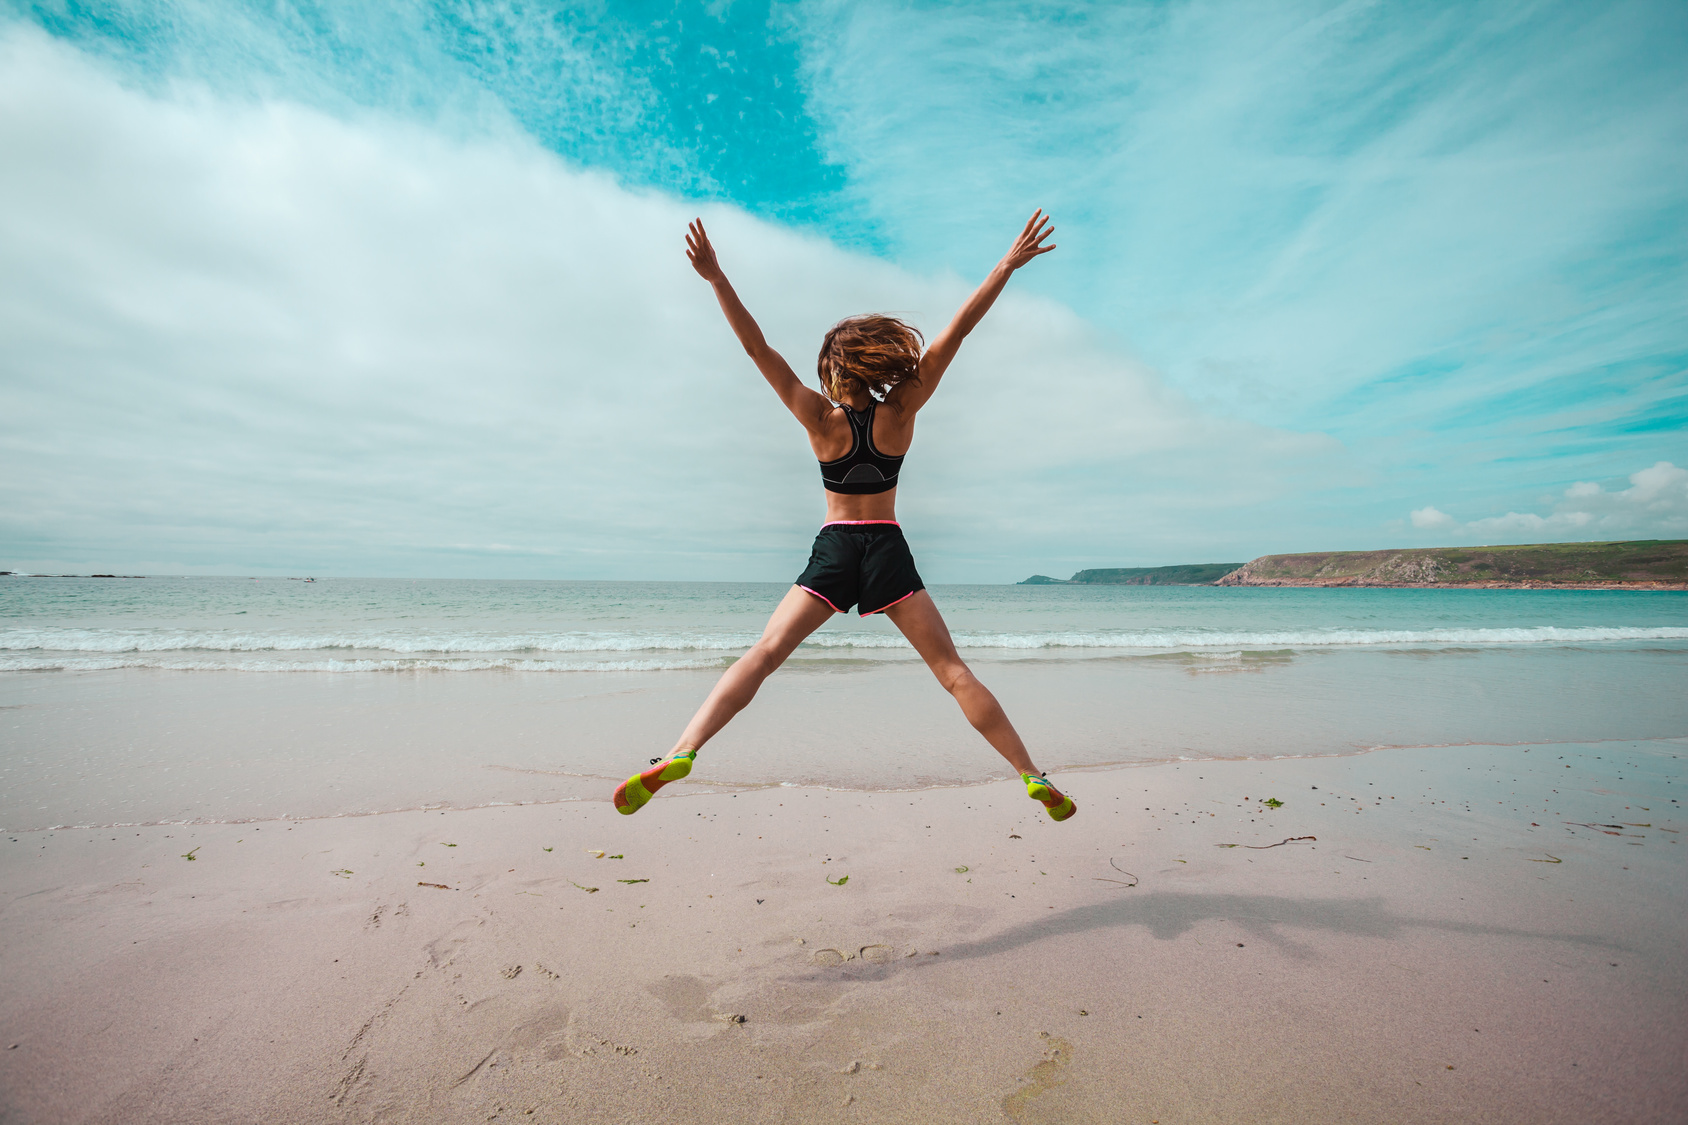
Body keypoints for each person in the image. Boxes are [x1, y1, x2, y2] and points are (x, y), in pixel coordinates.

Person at [613, 211, 1075, 823]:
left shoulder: (818, 418)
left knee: (765, 653)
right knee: (952, 671)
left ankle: (681, 751)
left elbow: (757, 347)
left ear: (835, 370)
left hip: (835, 547)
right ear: (878, 362)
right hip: (887, 547)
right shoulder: (902, 411)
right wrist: (1006, 266)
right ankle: (1030, 774)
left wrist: (717, 279)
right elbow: (956, 333)